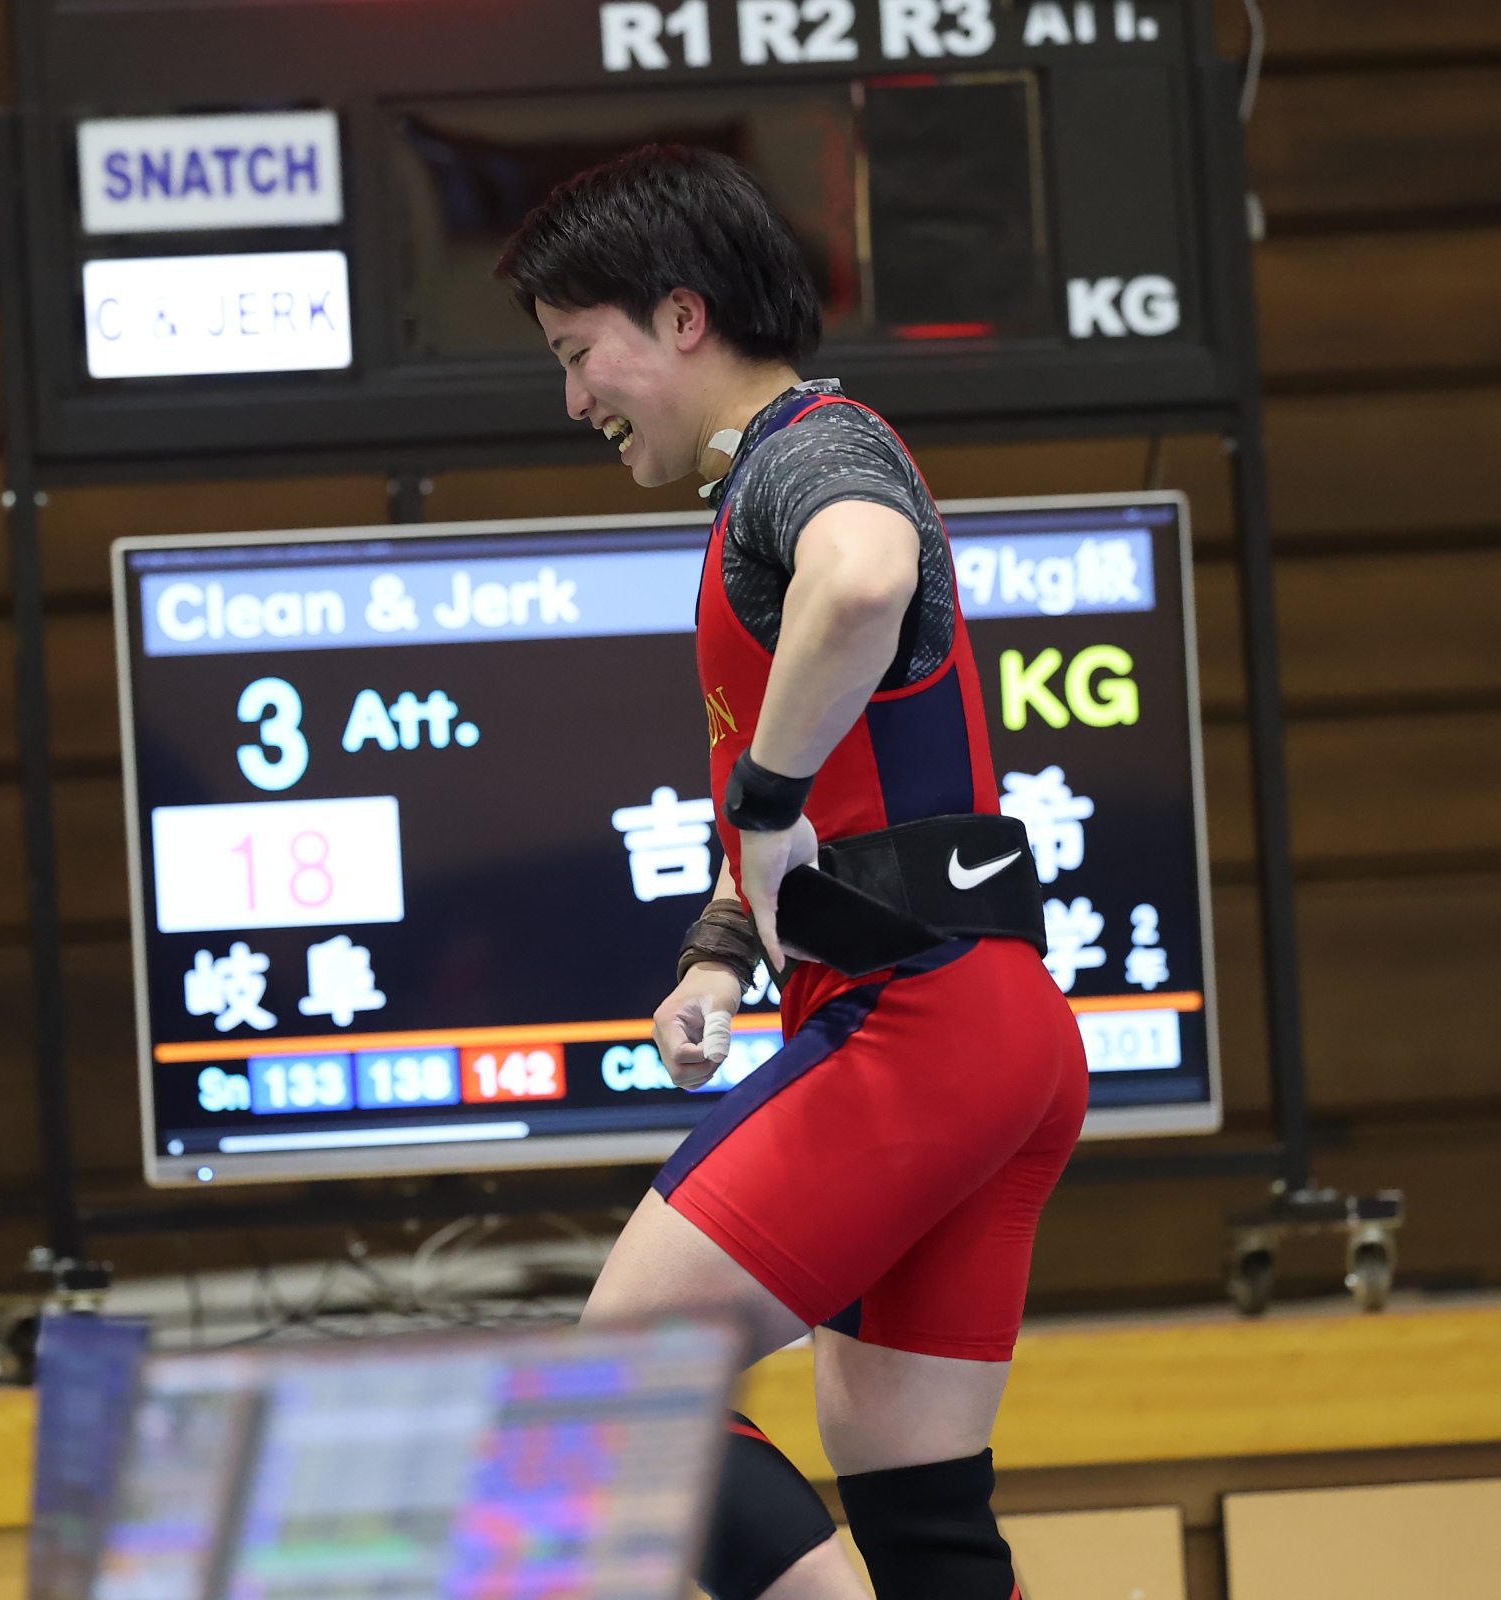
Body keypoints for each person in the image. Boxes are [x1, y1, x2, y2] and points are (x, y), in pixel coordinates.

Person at [497, 147, 1090, 1600]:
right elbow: (843, 792)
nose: (573, 401)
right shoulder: (772, 474)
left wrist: (759, 806)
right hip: (995, 1033)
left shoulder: (808, 454)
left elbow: (867, 580)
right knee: (918, 1506)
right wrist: (722, 944)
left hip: (920, 1028)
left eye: (577, 352)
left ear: (681, 315)